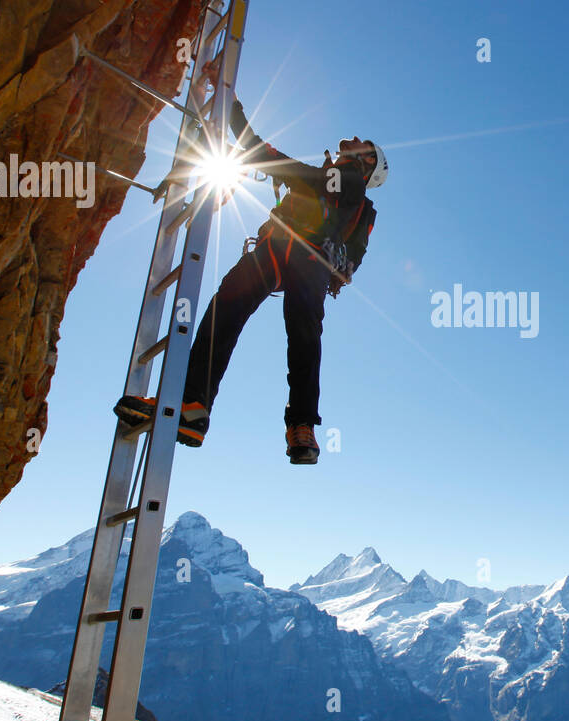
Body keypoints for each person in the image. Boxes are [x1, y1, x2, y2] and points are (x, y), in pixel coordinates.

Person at [114, 97, 386, 464]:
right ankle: (266, 420)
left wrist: (235, 116)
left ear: (368, 163)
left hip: (301, 255)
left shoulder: (350, 181)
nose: (354, 137)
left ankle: (198, 403)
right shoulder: (339, 179)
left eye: (364, 143)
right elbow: (294, 174)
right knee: (267, 321)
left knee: (235, 311)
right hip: (288, 252)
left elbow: (295, 173)